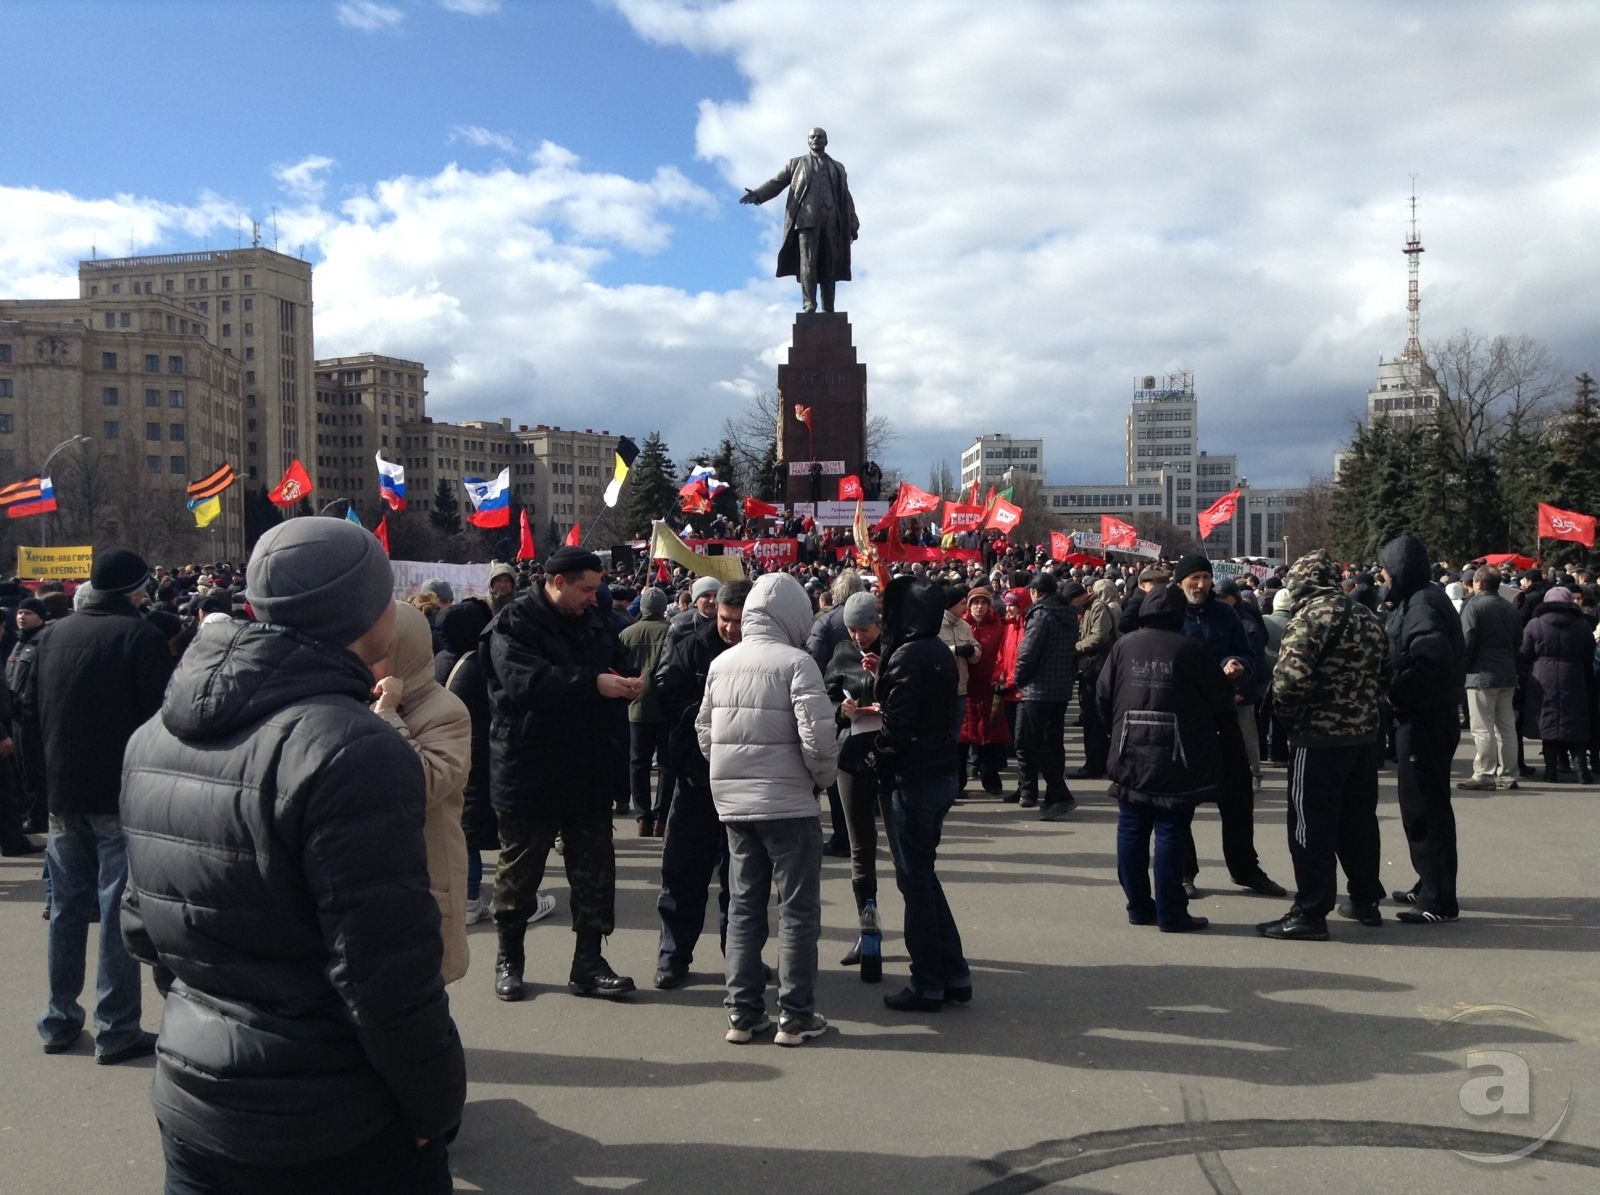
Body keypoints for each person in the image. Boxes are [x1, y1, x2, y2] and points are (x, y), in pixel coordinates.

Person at [120, 519, 465, 1190]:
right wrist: (435, 1104)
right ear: (369, 610)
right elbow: (387, 973)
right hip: (333, 1119)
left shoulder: (153, 734)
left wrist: (210, 1016)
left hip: (195, 1091)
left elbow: (145, 925)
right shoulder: (355, 748)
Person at [481, 545, 641, 1001]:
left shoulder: (593, 622)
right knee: (518, 875)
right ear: (557, 582)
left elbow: (614, 660)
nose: (595, 598)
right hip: (528, 768)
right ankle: (510, 958)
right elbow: (525, 683)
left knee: (595, 872)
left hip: (586, 767)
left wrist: (629, 681)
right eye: (587, 589)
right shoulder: (513, 624)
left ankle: (589, 962)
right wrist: (594, 684)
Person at [35, 549, 172, 1064]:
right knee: (117, 910)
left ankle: (58, 1017)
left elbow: (36, 707)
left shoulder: (53, 634)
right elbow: (158, 718)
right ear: (136, 590)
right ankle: (116, 1027)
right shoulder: (140, 637)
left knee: (68, 908)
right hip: (118, 791)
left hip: (61, 789)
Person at [697, 573, 840, 1046]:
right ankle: (795, 1015)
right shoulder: (798, 663)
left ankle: (742, 1013)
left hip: (735, 807)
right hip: (789, 804)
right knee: (797, 911)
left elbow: (705, 732)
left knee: (743, 907)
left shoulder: (722, 663)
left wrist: (731, 771)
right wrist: (820, 780)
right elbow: (819, 739)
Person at [1257, 550, 1390, 940]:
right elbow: (1385, 674)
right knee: (1359, 822)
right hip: (1363, 736)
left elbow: (1288, 681)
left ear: (1299, 582)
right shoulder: (1367, 616)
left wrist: (1290, 719)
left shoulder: (1310, 618)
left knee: (1309, 825)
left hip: (1317, 738)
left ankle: (1311, 911)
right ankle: (1365, 900)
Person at [1097, 581, 1243, 933]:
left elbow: (1102, 696)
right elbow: (1220, 698)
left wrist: (1113, 732)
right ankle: (1171, 913)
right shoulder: (1188, 649)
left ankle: (1138, 906)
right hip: (1177, 755)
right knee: (1170, 832)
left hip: (1129, 750)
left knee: (1131, 830)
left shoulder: (1124, 646)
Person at [874, 576, 970, 1009]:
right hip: (940, 772)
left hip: (913, 778)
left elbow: (897, 727)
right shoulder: (937, 651)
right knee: (924, 877)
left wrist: (875, 760)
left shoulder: (910, 655)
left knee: (915, 880)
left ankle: (929, 979)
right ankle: (952, 972)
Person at [652, 579, 750, 990]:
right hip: (695, 778)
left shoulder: (763, 653)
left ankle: (740, 958)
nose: (731, 628)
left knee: (741, 881)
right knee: (683, 872)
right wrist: (705, 717)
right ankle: (673, 957)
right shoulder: (690, 646)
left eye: (739, 621)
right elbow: (665, 691)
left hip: (745, 783)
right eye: (726, 619)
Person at [1170, 554, 1285, 899]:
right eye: (1195, 578)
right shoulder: (1171, 616)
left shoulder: (1226, 614)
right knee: (1180, 803)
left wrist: (1237, 664)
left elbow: (1248, 653)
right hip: (1185, 722)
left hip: (1223, 717)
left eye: (1206, 577)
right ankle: (1184, 872)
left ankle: (1245, 868)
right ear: (1180, 582)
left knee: (1238, 798)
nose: (1202, 584)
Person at [373, 601, 472, 984]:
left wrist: (387, 717)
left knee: (420, 991)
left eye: (378, 652)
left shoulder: (445, 710)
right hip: (375, 877)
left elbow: (422, 784)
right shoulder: (355, 697)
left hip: (425, 876)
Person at [1379, 533, 1467, 925]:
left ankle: (1437, 899)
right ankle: (1429, 881)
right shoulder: (1420, 600)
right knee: (1424, 805)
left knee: (1424, 809)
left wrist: (1394, 694)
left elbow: (1430, 661)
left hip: (1424, 719)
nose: (1381, 579)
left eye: (1385, 572)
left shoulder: (1423, 604)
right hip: (1426, 716)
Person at [823, 592, 896, 967]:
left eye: (864, 629)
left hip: (892, 756)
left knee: (902, 849)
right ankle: (866, 928)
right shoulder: (841, 652)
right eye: (852, 630)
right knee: (860, 847)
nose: (858, 637)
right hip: (851, 755)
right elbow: (827, 696)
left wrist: (882, 674)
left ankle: (920, 933)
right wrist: (841, 709)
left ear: (879, 623)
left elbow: (914, 698)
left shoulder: (897, 648)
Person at [741, 126, 860, 313]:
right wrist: (758, 194)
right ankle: (809, 303)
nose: (816, 139)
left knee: (829, 264)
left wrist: (853, 223)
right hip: (806, 221)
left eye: (820, 136)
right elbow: (777, 182)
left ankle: (829, 306)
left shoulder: (838, 168)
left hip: (832, 221)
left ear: (826, 141)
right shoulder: (796, 164)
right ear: (808, 141)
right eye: (812, 136)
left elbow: (846, 196)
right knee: (808, 263)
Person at [1012, 573, 1082, 820]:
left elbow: (1028, 652)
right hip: (1060, 687)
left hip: (1038, 687)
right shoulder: (1070, 614)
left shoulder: (1041, 614)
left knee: (1033, 740)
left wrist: (1018, 678)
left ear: (1035, 592)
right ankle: (1054, 793)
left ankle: (1060, 793)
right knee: (1053, 740)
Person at [1457, 567, 1524, 791]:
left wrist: (1460, 669)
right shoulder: (1510, 608)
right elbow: (1518, 642)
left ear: (1478, 583)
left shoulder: (1473, 606)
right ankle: (1508, 774)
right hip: (1506, 672)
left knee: (1482, 727)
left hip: (1480, 674)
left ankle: (1484, 773)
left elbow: (1466, 642)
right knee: (1506, 727)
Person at [1519, 586, 1592, 784]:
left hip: (1543, 676)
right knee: (1575, 724)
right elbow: (1589, 652)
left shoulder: (1535, 624)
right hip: (1574, 675)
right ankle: (1582, 771)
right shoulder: (1581, 624)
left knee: (1548, 722)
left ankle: (1551, 772)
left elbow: (1525, 653)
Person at [620, 587, 675, 836]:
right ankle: (662, 815)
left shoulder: (626, 634)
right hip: (666, 706)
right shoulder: (672, 632)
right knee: (666, 763)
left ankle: (643, 816)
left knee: (638, 763)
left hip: (636, 706)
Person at [960, 587, 1011, 794]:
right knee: (962, 740)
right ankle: (959, 782)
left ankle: (991, 779)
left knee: (989, 738)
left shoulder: (999, 626)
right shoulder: (961, 626)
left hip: (990, 690)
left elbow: (1004, 654)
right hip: (965, 689)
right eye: (975, 603)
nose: (979, 607)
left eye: (983, 602)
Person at [1072, 577, 1119, 779]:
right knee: (1095, 718)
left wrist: (1076, 647)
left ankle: (1096, 763)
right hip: (1093, 669)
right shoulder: (1093, 608)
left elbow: (1099, 636)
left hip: (1097, 669)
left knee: (1096, 719)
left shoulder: (1099, 608)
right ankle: (1097, 762)